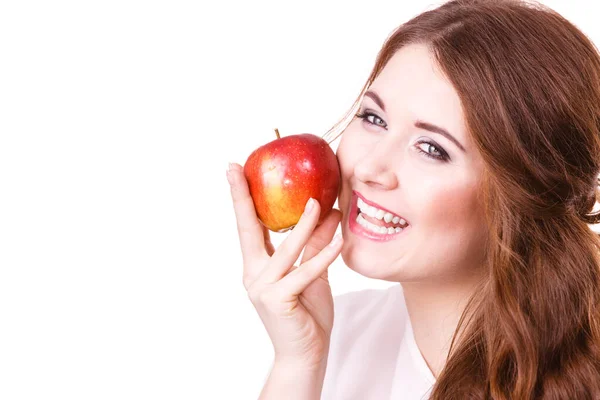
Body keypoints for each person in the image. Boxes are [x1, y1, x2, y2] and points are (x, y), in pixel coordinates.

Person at [227, 0, 600, 398]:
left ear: (524, 193)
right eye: (373, 118)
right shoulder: (337, 335)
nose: (369, 168)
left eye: (432, 148)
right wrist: (297, 365)